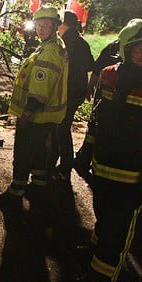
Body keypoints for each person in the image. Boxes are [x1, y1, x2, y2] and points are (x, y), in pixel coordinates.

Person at [75, 19, 142, 282]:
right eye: (137, 49)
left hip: (132, 180)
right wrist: (86, 152)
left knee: (116, 233)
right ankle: (95, 253)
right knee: (102, 217)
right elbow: (96, 120)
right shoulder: (109, 75)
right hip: (102, 169)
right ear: (125, 50)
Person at [0, 6, 68, 206]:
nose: (41, 29)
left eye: (46, 25)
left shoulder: (49, 51)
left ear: (55, 27)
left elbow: (40, 87)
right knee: (39, 151)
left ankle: (15, 193)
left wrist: (27, 112)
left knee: (23, 152)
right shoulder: (53, 46)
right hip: (46, 116)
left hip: (36, 114)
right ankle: (38, 185)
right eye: (39, 25)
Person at [49, 11, 94, 180]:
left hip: (68, 91)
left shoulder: (66, 41)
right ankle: (53, 163)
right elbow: (90, 65)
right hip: (77, 91)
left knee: (61, 128)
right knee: (60, 126)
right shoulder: (81, 41)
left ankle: (65, 166)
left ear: (63, 24)